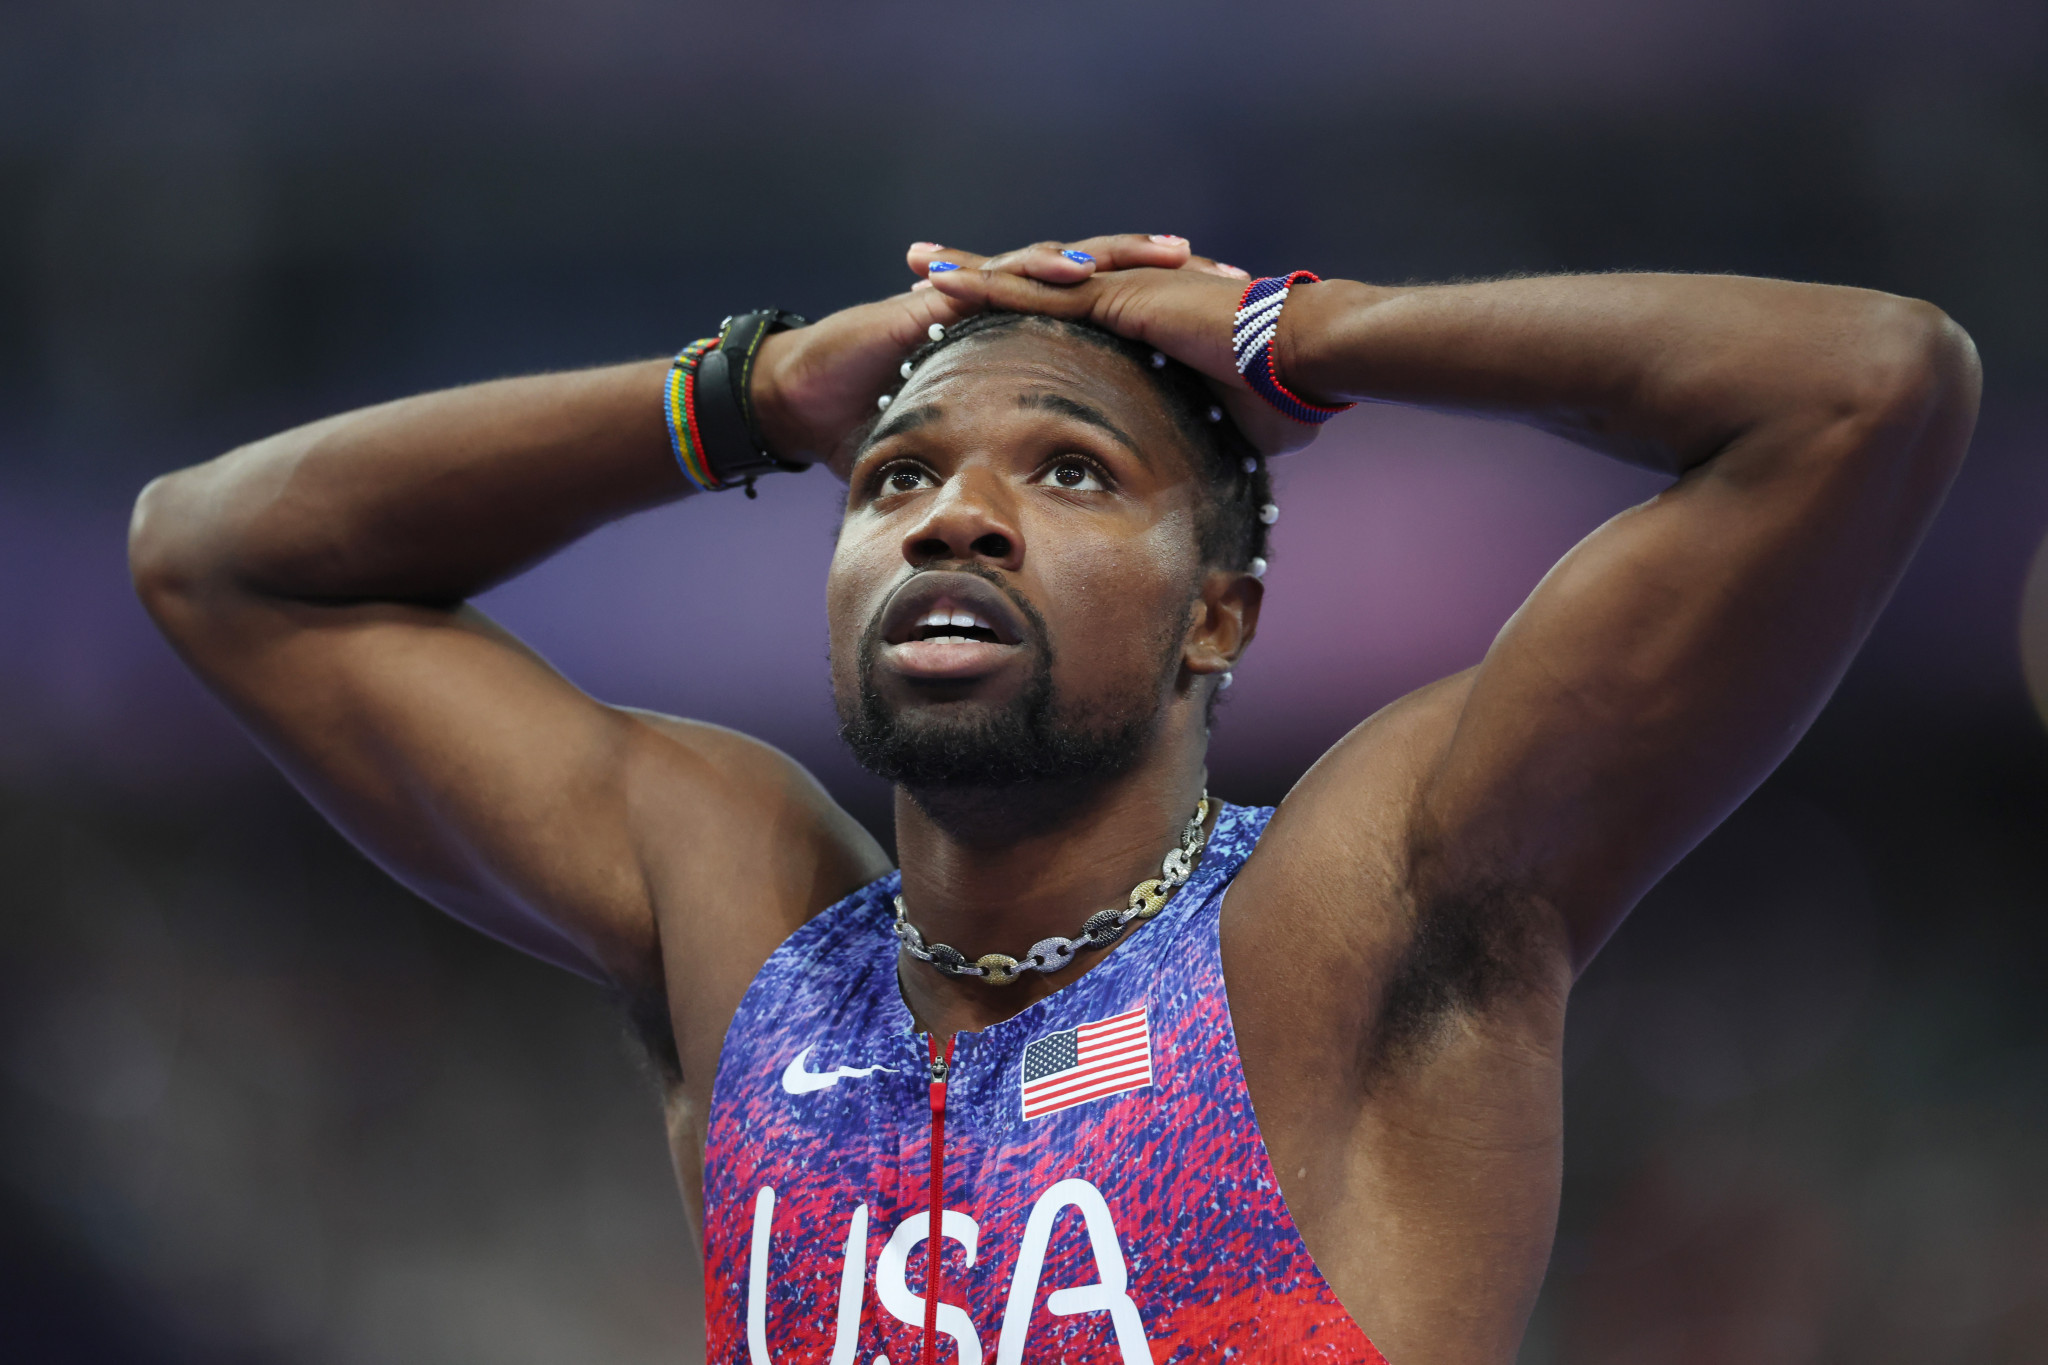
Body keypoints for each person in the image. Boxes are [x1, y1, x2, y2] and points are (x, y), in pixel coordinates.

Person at [128, 232, 1980, 1365]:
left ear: (1218, 615)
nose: (955, 512)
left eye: (1074, 474)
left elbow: (1862, 390)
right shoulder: (750, 925)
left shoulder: (1352, 915)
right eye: (895, 479)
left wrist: (1289, 336)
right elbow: (216, 556)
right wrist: (755, 395)